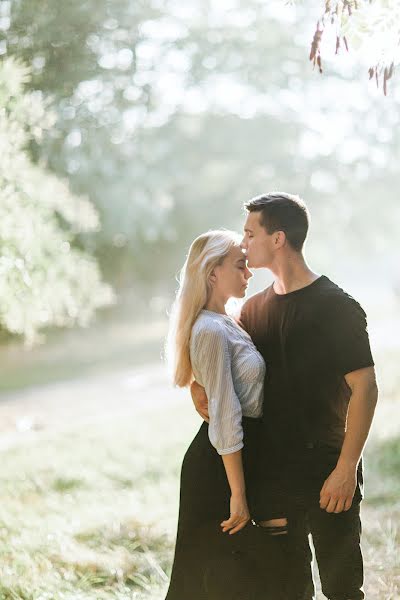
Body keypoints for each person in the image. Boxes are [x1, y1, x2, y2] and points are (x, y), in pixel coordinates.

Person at [192, 193, 378, 600]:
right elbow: (223, 359)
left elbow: (366, 388)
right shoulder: (252, 310)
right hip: (272, 476)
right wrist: (196, 384)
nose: (243, 244)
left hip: (330, 471)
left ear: (278, 239)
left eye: (249, 233)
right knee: (286, 590)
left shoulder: (337, 307)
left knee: (343, 589)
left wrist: (347, 468)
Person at [165, 229, 289, 600]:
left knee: (240, 574)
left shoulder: (229, 322)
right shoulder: (209, 330)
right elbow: (224, 416)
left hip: (240, 455)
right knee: (213, 576)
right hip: (221, 464)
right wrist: (238, 492)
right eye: (240, 266)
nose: (249, 274)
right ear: (212, 272)